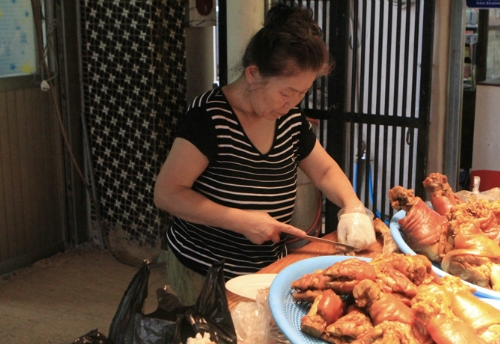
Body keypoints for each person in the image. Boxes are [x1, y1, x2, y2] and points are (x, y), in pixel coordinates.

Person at [154, 3, 375, 305]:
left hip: (266, 267)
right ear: (254, 74)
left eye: (302, 93)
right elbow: (167, 194)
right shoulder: (209, 118)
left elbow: (324, 170)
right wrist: (242, 220)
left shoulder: (289, 118)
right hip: (204, 271)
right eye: (286, 92)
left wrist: (352, 207)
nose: (292, 103)